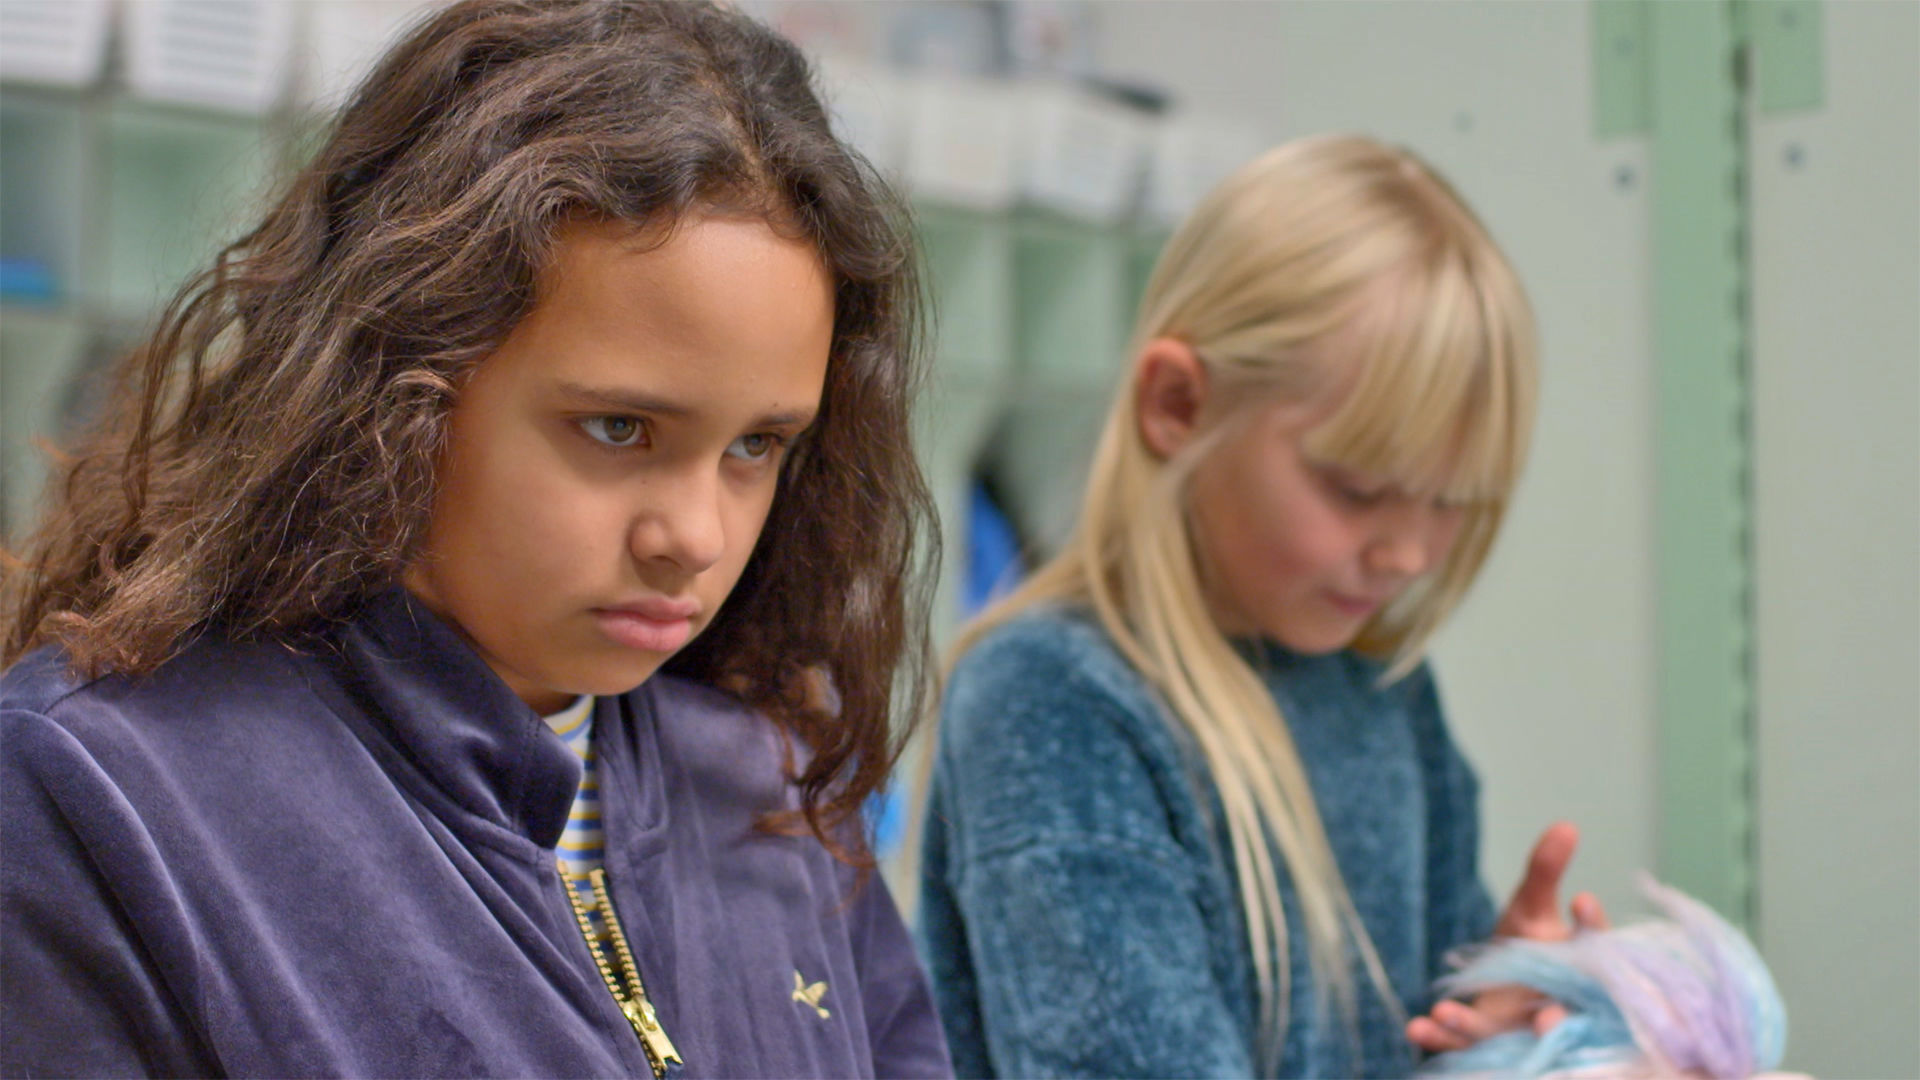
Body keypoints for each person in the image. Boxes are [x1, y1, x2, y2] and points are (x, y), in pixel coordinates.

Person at [0, 2, 950, 1076]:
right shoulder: (105, 793)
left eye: (757, 446)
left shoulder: (770, 783)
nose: (693, 536)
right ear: (397, 388)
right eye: (618, 428)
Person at [915, 134, 1606, 1078]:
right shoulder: (1049, 700)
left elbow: (1425, 1043)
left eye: (1450, 502)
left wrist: (1500, 1025)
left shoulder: (1382, 691)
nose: (1407, 554)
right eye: (1358, 489)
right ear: (1177, 404)